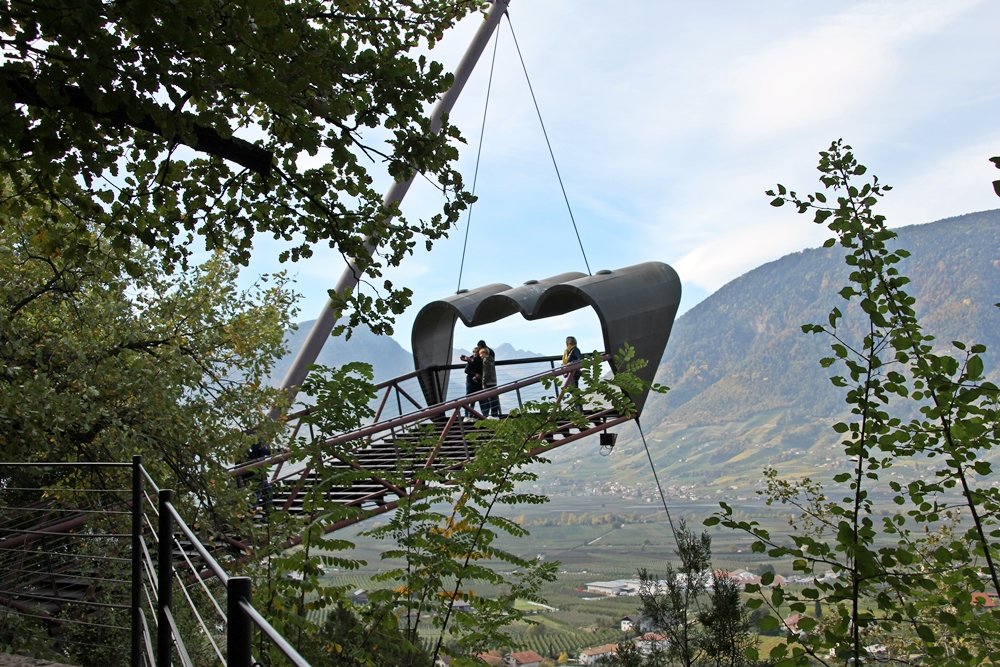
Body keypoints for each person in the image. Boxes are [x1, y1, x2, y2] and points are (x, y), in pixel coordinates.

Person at [460, 345, 483, 419]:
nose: (474, 354)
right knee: (469, 398)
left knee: (473, 399)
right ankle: (467, 415)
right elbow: (466, 370)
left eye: (476, 352)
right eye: (474, 352)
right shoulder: (472, 360)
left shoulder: (477, 360)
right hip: (471, 381)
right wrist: (475, 374)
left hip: (476, 382)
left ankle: (470, 415)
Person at [479, 346, 500, 417]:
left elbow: (485, 373)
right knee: (494, 398)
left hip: (488, 383)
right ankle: (495, 414)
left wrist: (483, 383)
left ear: (484, 353)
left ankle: (492, 415)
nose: (480, 356)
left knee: (490, 399)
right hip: (494, 382)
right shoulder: (491, 359)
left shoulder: (485, 360)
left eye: (480, 354)